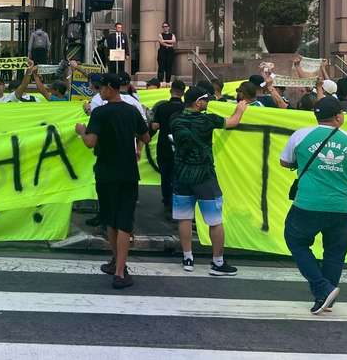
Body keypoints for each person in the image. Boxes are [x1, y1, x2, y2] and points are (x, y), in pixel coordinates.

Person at [280, 96, 347, 315]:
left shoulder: (301, 135)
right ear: (339, 117)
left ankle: (322, 289)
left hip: (308, 205)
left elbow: (284, 161)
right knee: (334, 253)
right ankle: (325, 297)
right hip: (343, 207)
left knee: (296, 241)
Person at [75, 74, 150, 289]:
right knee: (125, 219)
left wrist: (81, 131)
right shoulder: (132, 110)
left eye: (100, 88)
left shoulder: (100, 112)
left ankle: (116, 263)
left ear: (110, 88)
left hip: (106, 171)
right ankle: (119, 271)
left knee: (110, 218)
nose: (99, 92)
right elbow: (145, 138)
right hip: (128, 171)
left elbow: (90, 142)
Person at [171, 86, 249, 276]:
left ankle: (188, 258)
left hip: (181, 175)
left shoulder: (175, 120)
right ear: (198, 103)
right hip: (204, 176)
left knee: (184, 218)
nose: (207, 103)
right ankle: (217, 262)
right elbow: (233, 122)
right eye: (205, 100)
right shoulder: (207, 120)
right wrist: (240, 109)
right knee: (215, 221)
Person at [150, 80, 186, 215]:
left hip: (164, 145)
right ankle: (179, 203)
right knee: (180, 176)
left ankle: (167, 202)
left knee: (165, 175)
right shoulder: (186, 109)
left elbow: (155, 126)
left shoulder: (162, 107)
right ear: (183, 92)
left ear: (171, 90)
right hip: (182, 147)